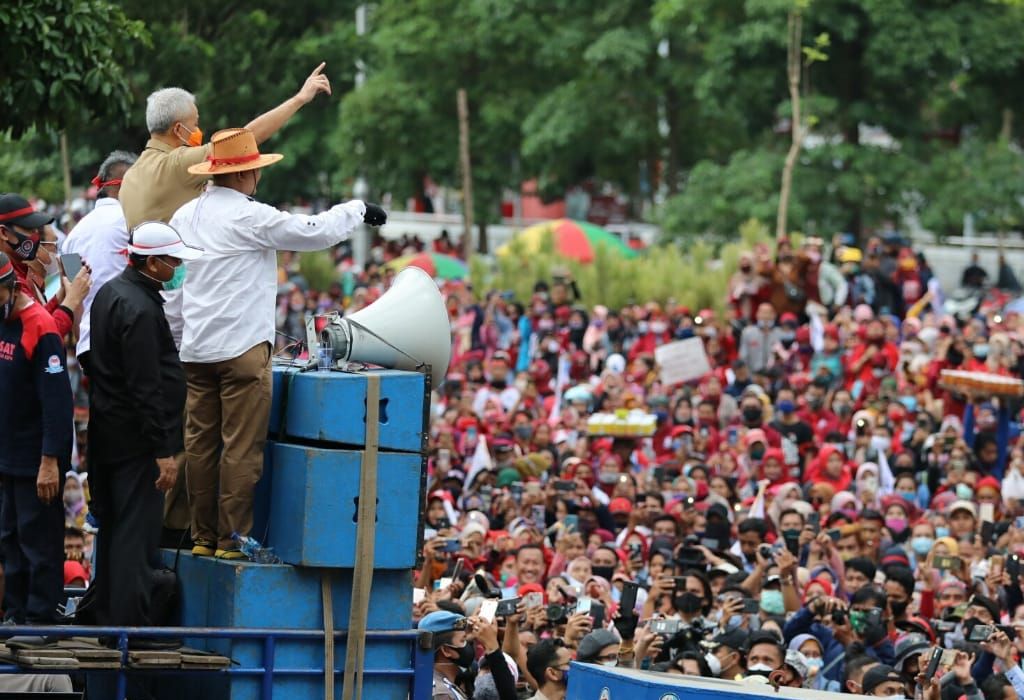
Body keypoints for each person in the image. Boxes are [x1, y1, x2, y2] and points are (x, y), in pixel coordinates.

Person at [169, 127, 386, 558]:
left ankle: (201, 537)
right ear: (246, 174)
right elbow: (312, 231)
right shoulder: (249, 216)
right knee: (241, 448)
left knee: (201, 446)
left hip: (194, 349)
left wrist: (181, 340)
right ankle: (231, 541)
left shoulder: (183, 216)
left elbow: (173, 292)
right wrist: (357, 209)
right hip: (241, 350)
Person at [79, 221, 203, 627]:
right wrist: (163, 450)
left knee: (115, 530)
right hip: (137, 443)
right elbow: (146, 387)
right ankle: (127, 629)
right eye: (174, 261)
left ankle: (107, 617)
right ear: (152, 263)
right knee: (135, 535)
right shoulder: (142, 309)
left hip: (109, 435)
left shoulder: (111, 294)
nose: (178, 269)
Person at [119, 62, 333, 229]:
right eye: (195, 124)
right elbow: (242, 140)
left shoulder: (130, 176)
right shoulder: (176, 164)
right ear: (177, 130)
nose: (198, 130)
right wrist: (300, 99)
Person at [0, 250, 72, 624]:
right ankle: (15, 615)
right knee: (10, 541)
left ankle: (41, 619)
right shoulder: (3, 321)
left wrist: (50, 461)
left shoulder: (39, 327)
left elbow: (58, 405)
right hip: (7, 458)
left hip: (35, 461)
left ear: (10, 286)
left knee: (38, 544)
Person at [61, 150, 137, 374]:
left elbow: (75, 298)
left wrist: (82, 342)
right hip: (129, 341)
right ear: (126, 186)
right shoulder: (132, 223)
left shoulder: (73, 237)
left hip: (90, 346)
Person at [0, 193, 90, 339]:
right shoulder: (7, 280)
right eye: (28, 229)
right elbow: (43, 335)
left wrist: (64, 291)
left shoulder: (19, 271)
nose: (35, 236)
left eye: (36, 229)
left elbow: (39, 316)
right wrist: (72, 299)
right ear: (4, 233)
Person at [417, 610, 514, 700]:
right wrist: (492, 648)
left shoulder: (439, 682)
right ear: (446, 650)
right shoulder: (442, 694)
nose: (468, 644)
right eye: (463, 640)